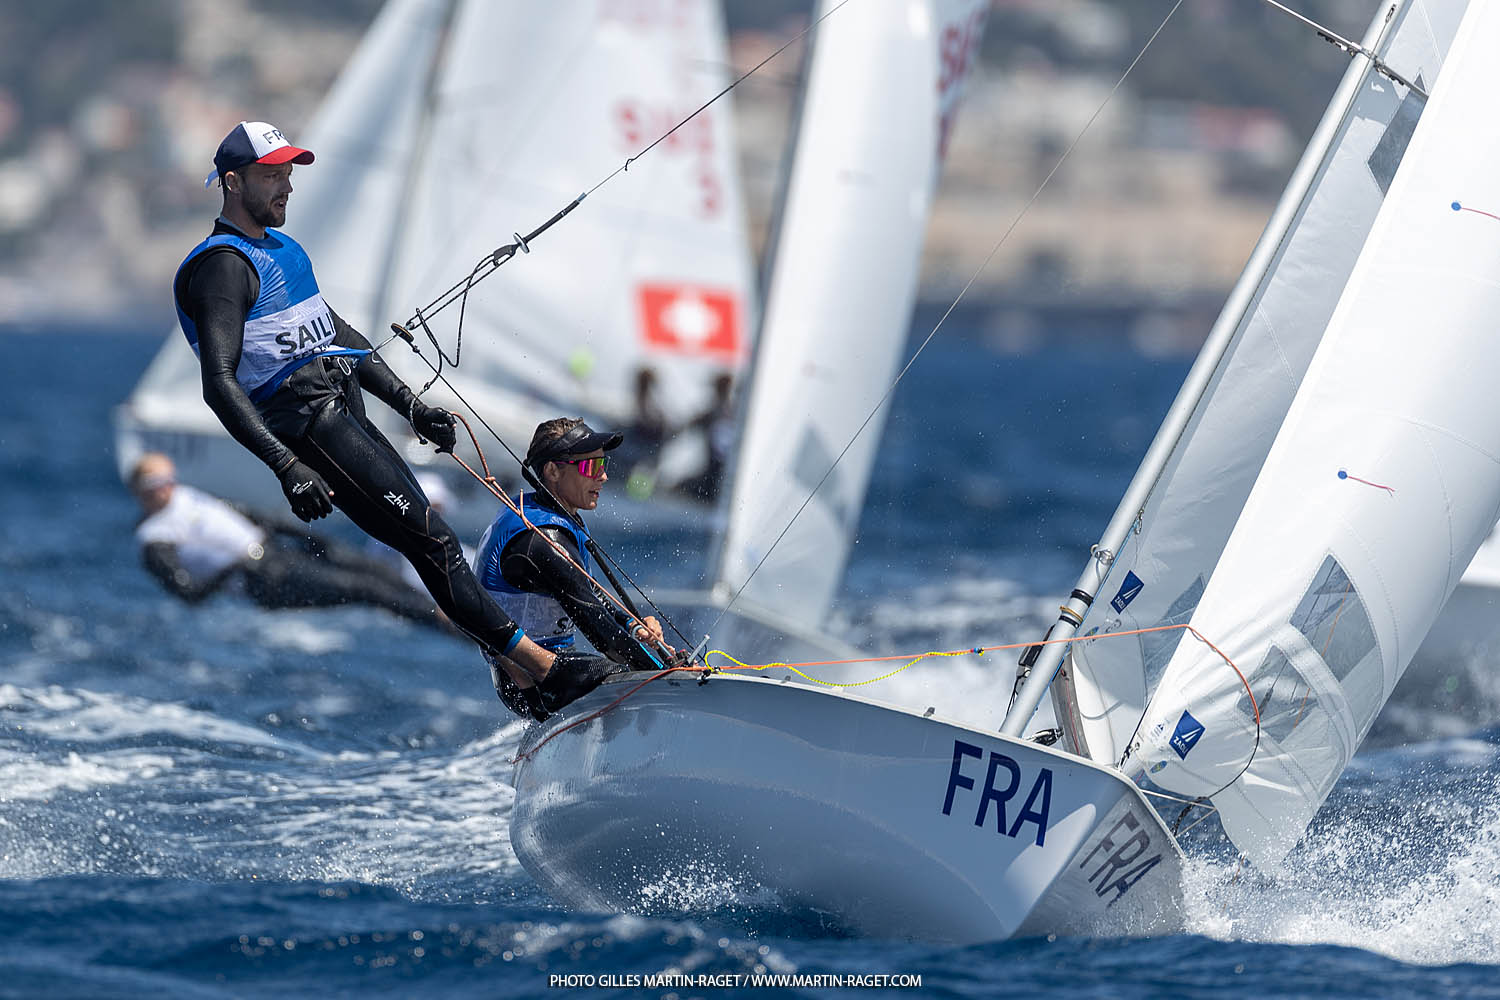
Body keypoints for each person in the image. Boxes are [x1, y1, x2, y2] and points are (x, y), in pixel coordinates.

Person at [172, 120, 611, 719]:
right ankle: (540, 671)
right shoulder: (222, 267)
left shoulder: (283, 250)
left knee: (430, 541)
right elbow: (219, 385)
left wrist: (412, 406)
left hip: (341, 409)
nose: (287, 187)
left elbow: (340, 338)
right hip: (309, 429)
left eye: (289, 173)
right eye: (272, 175)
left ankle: (531, 673)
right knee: (432, 543)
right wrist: (286, 466)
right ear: (231, 183)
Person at [475, 418, 675, 701]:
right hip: (530, 682)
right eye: (590, 467)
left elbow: (589, 592)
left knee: (618, 668)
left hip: (556, 663)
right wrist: (668, 673)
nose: (603, 477)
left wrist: (633, 624)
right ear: (552, 471)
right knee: (619, 671)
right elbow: (602, 635)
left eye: (603, 465)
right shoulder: (543, 543)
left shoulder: (548, 514)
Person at [129, 452, 439, 625]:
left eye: (169, 477)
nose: (166, 486)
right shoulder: (154, 538)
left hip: (278, 554)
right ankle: (447, 624)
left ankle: (444, 610)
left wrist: (309, 537)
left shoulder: (186, 497)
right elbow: (188, 593)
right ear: (141, 490)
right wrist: (235, 567)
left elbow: (252, 517)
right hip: (263, 581)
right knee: (366, 589)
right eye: (156, 482)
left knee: (377, 571)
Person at [678, 372, 734, 502]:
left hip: (712, 477)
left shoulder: (712, 413)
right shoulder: (733, 413)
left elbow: (686, 427)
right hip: (723, 477)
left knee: (680, 488)